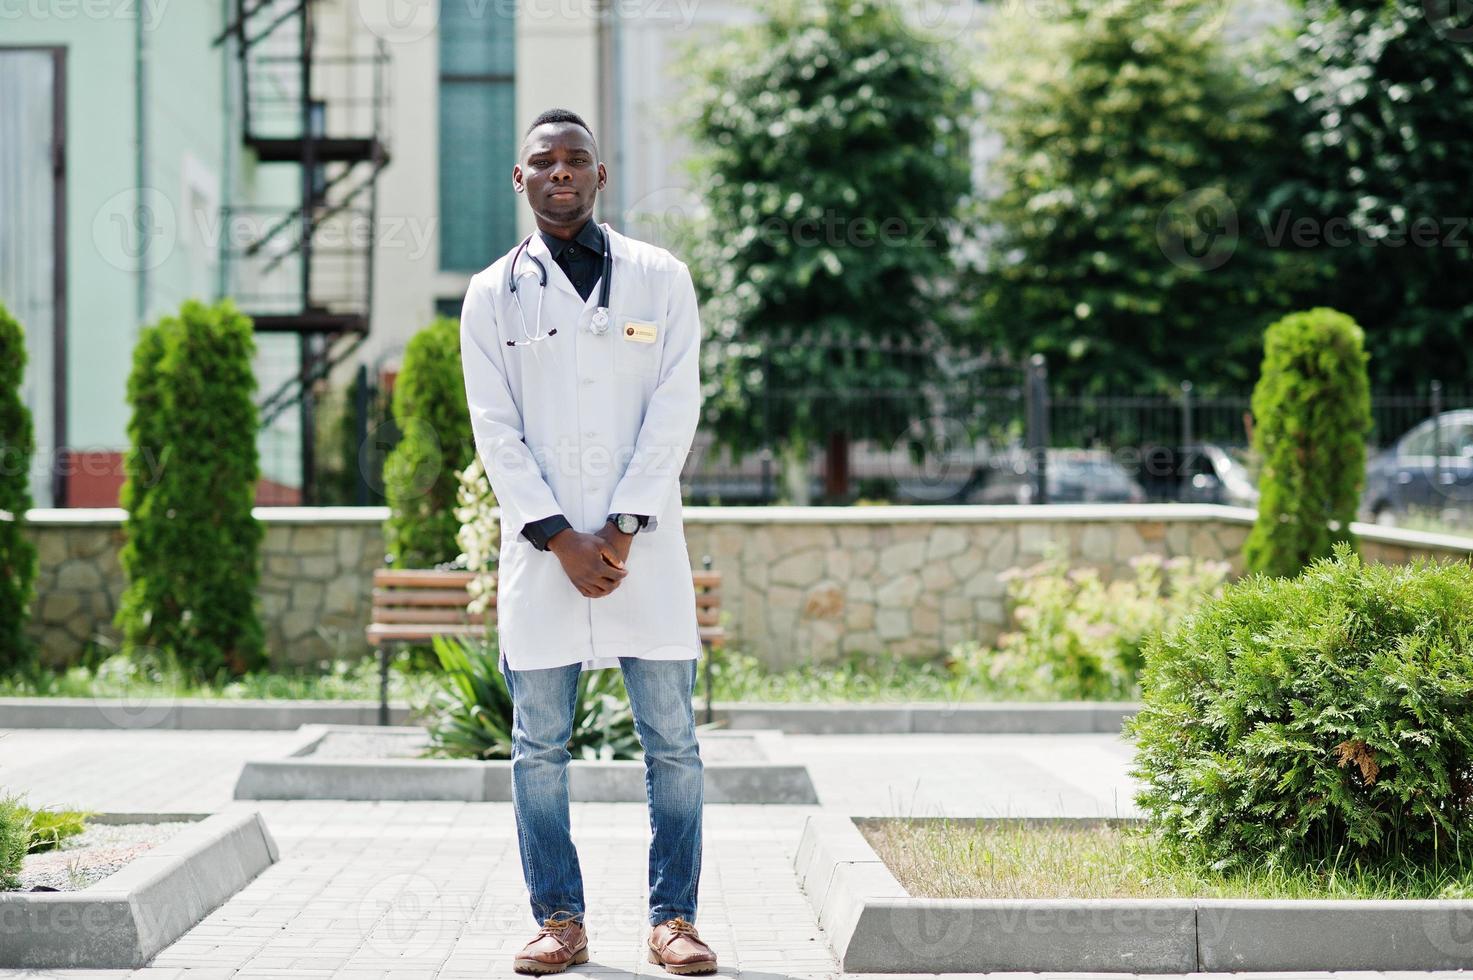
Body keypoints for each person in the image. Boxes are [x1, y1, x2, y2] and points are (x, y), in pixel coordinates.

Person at [459, 107, 716, 976]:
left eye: (576, 160)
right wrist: (559, 538)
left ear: (600, 177)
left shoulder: (660, 277)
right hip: (544, 555)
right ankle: (558, 921)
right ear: (520, 179)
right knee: (538, 747)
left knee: (672, 742)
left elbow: (676, 405)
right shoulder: (492, 293)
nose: (560, 172)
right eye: (543, 161)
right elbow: (494, 429)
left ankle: (673, 918)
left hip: (639, 547)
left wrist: (622, 526)